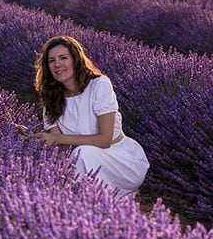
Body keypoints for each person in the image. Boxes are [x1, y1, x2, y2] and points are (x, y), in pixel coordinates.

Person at [27, 35, 149, 198]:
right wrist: (33, 138)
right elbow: (61, 147)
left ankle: (88, 203)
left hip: (120, 158)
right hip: (83, 161)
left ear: (76, 60)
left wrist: (57, 140)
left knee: (82, 154)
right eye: (51, 61)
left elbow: (104, 140)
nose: (57, 64)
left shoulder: (99, 85)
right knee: (76, 158)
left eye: (63, 58)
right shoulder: (50, 99)